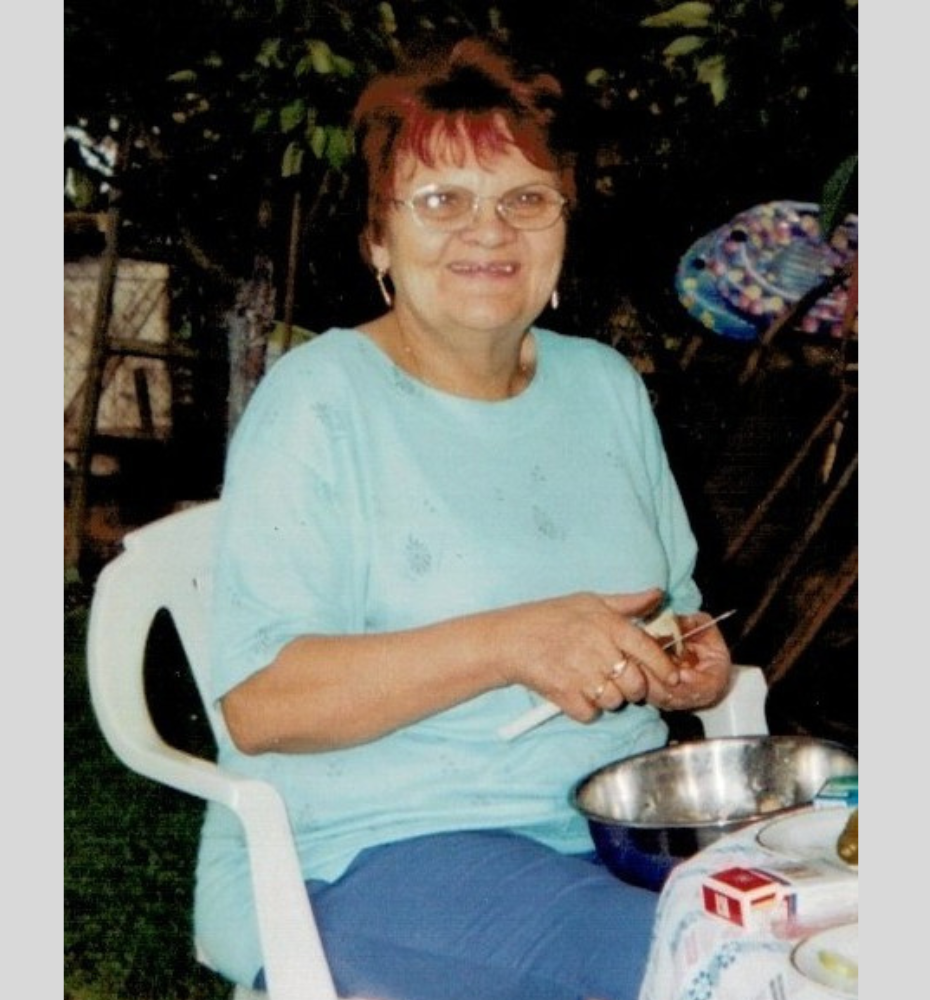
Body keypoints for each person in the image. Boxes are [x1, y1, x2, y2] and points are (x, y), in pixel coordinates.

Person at [195, 36, 732, 1000]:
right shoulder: (320, 400)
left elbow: (673, 608)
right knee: (714, 969)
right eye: (442, 201)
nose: (490, 231)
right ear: (378, 240)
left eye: (526, 199)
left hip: (623, 832)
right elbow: (261, 705)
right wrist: (510, 643)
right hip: (374, 855)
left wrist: (686, 660)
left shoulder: (603, 386)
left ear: (562, 229)